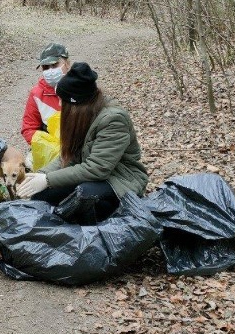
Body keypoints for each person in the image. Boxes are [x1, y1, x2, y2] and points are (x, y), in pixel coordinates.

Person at [16, 62, 148, 223]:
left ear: (76, 103)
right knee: (43, 195)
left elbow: (97, 169)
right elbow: (68, 155)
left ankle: (92, 235)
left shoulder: (113, 120)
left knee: (83, 196)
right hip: (91, 175)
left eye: (62, 100)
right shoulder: (83, 115)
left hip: (121, 179)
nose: (59, 104)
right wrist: (41, 175)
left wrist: (48, 179)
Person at [21, 42, 71, 146]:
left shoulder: (83, 87)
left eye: (54, 65)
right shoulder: (37, 94)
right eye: (46, 67)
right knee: (29, 162)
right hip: (50, 148)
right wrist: (48, 145)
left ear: (67, 63)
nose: (50, 71)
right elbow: (29, 128)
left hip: (81, 147)